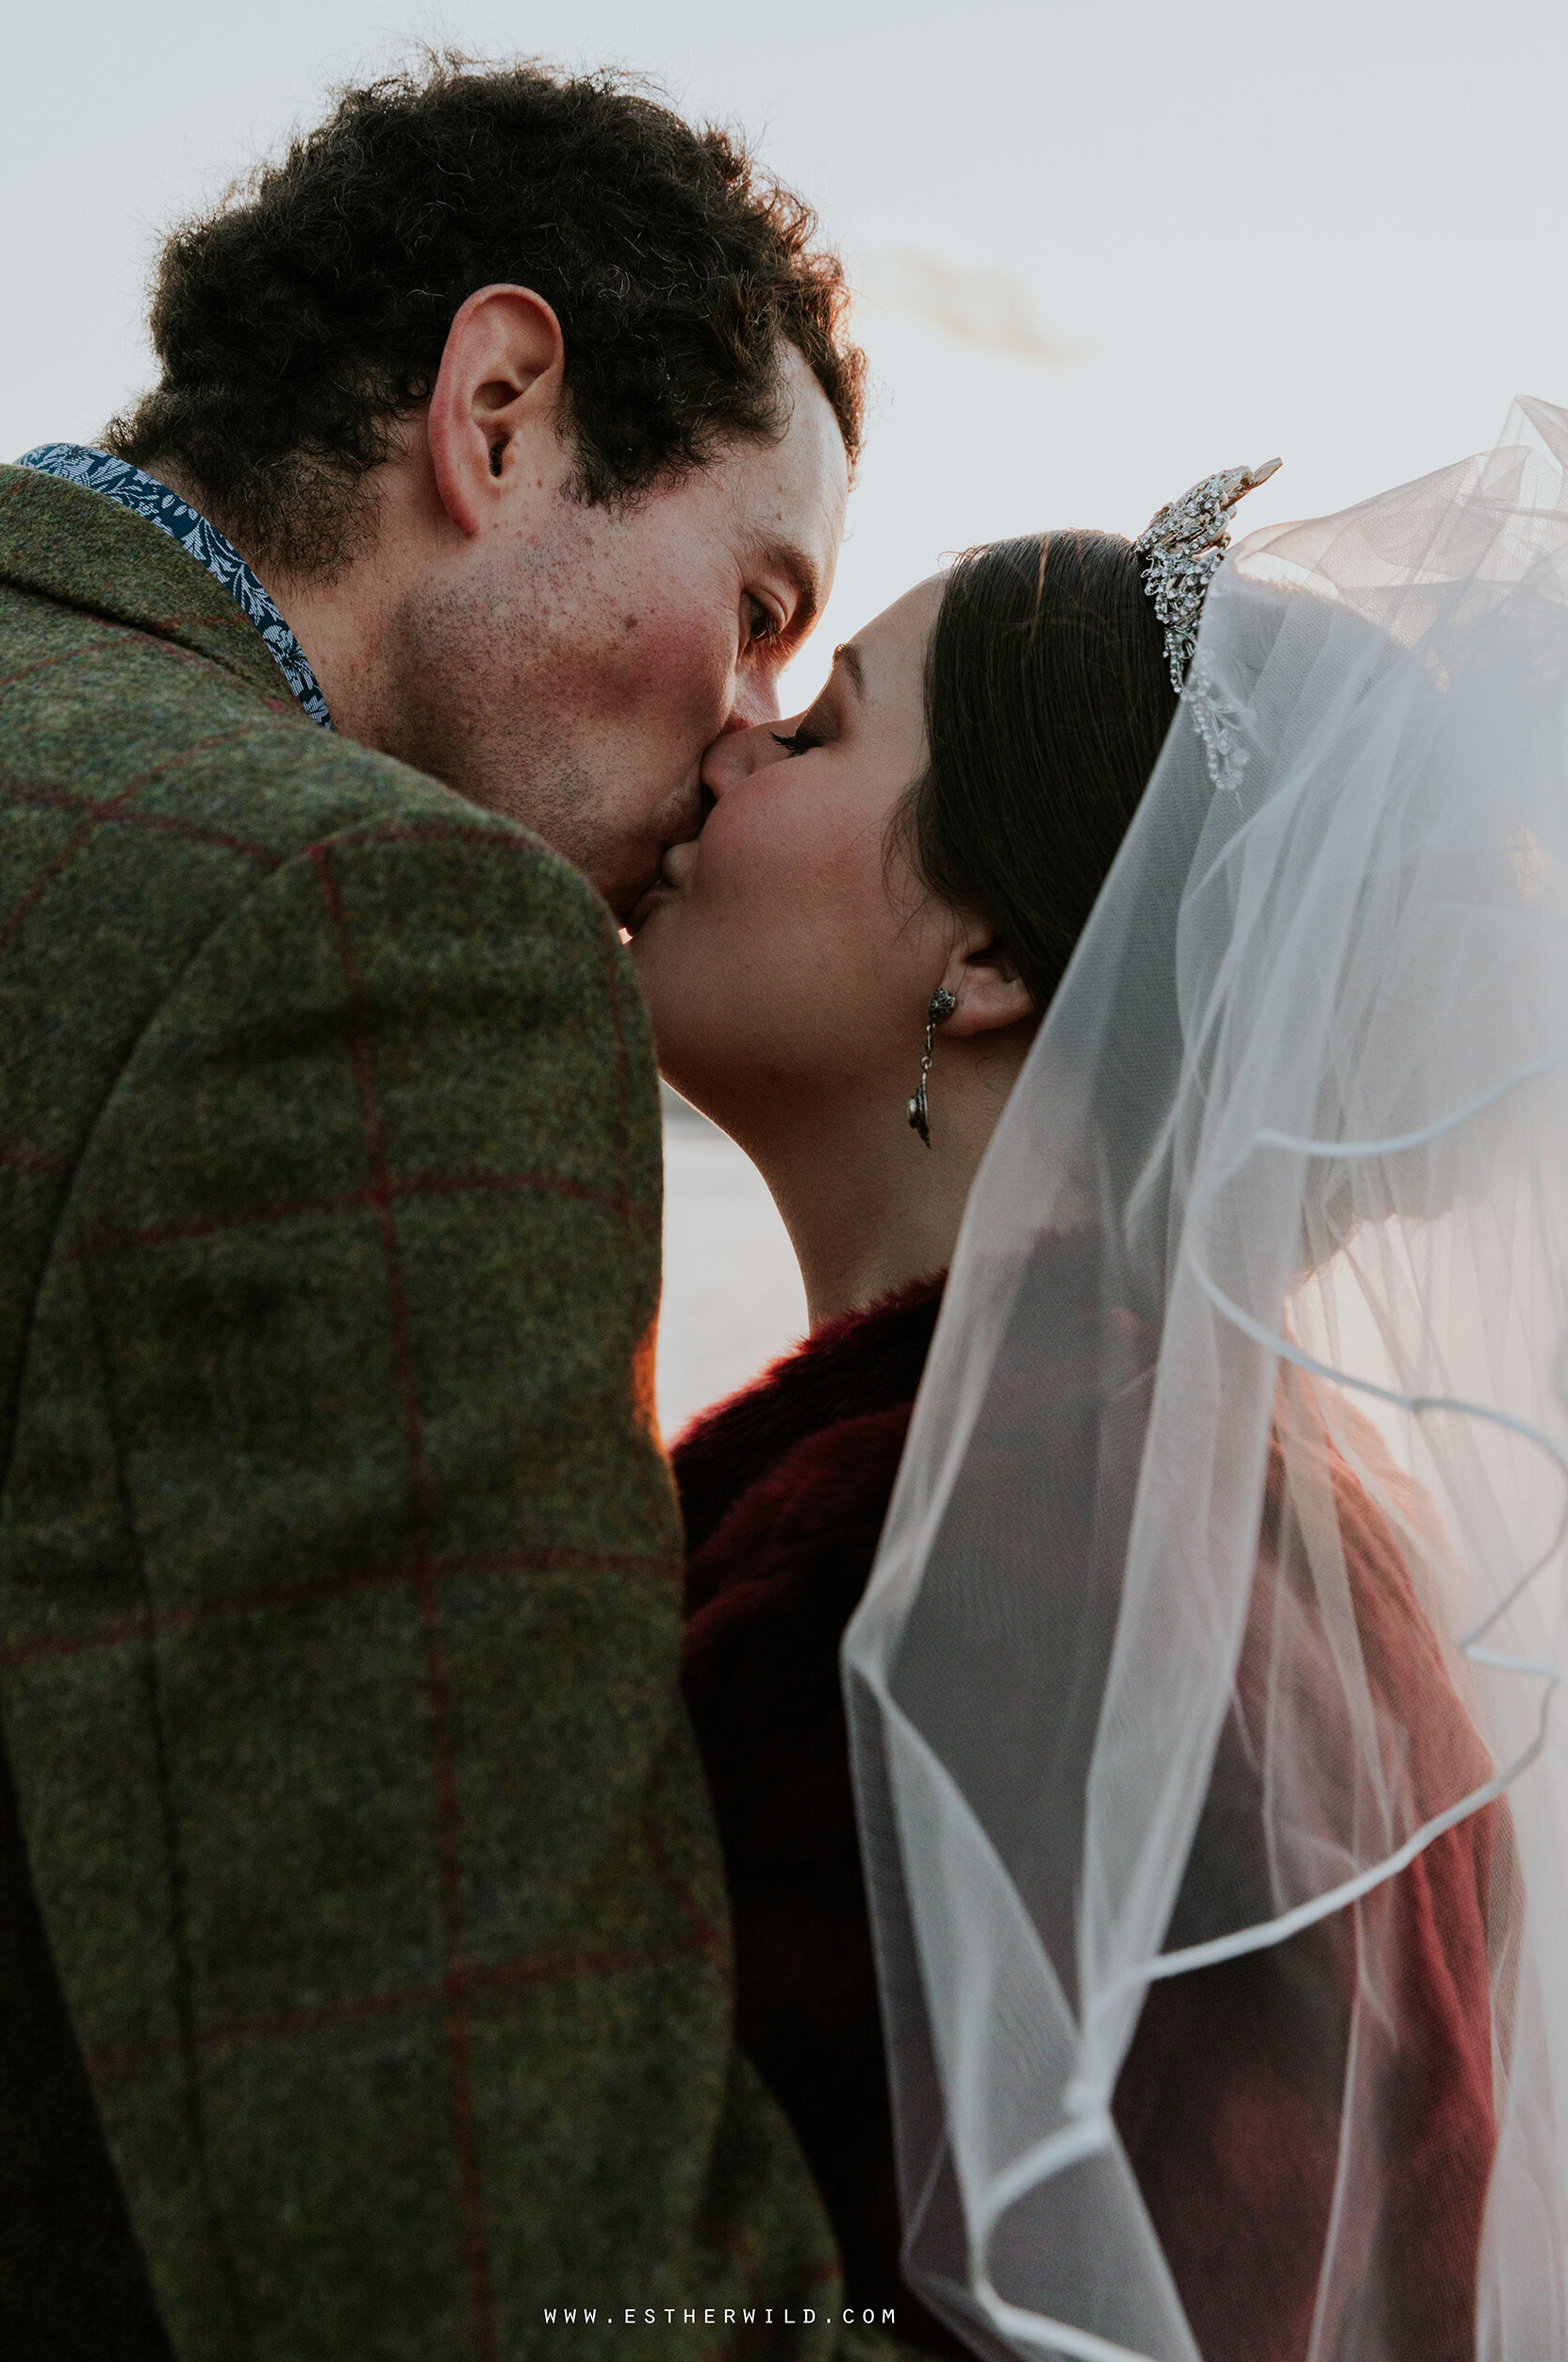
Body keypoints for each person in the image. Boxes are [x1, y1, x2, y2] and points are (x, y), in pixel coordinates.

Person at [0, 55, 929, 2361]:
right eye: (756, 601)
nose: (749, 727)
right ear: (507, 409)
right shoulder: (370, 940)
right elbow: (501, 2244)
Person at [631, 414, 1568, 2356]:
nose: (728, 735)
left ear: (983, 960)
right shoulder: (1275, 1534)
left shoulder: (947, 1567)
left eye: (815, 735)